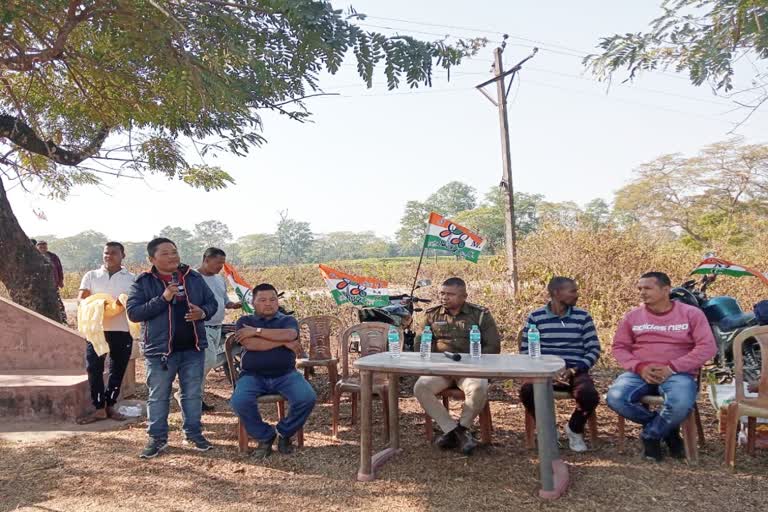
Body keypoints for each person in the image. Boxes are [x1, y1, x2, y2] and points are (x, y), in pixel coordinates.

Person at [606, 271, 716, 462]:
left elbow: (707, 347)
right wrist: (639, 367)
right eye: (640, 288)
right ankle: (667, 431)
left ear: (666, 290)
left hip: (678, 374)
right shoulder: (632, 316)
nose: (642, 293)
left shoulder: (691, 314)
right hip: (639, 373)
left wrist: (672, 367)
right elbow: (619, 347)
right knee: (615, 398)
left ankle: (651, 435)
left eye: (648, 288)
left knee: (681, 402)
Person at [126, 237, 218, 459]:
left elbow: (212, 303)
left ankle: (193, 434)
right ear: (152, 258)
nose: (173, 256)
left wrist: (203, 313)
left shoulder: (193, 277)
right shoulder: (144, 282)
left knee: (192, 394)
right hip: (160, 352)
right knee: (158, 396)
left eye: (175, 252)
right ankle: (157, 438)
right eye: (166, 253)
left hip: (193, 348)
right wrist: (164, 298)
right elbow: (134, 313)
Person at [413, 277, 501, 455]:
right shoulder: (431, 315)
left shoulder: (480, 314)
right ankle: (454, 432)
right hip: (441, 370)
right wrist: (432, 362)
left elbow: (493, 346)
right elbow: (419, 344)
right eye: (442, 293)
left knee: (478, 387)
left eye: (451, 294)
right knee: (421, 387)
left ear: (464, 296)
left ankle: (461, 429)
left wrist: (473, 362)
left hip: (469, 369)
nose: (445, 298)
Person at [229, 283, 316, 458]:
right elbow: (251, 344)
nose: (268, 303)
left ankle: (284, 432)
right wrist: (282, 342)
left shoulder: (287, 320)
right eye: (262, 300)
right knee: (239, 401)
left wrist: (257, 331)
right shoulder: (244, 322)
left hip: (286, 374)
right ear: (253, 303)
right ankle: (265, 436)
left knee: (307, 398)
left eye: (273, 299)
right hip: (252, 376)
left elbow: (290, 335)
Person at [519, 276, 601, 452]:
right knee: (527, 391)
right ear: (556, 293)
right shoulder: (536, 317)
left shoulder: (583, 317)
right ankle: (548, 429)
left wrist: (573, 370)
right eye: (572, 291)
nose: (577, 295)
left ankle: (574, 428)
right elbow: (526, 350)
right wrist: (548, 371)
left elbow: (593, 350)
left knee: (589, 395)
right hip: (545, 370)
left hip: (575, 369)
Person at [76, 242, 137, 424]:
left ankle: (111, 404)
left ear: (122, 255)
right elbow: (81, 299)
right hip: (96, 331)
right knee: (93, 368)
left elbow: (134, 301)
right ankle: (99, 408)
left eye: (113, 253)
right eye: (106, 253)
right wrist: (98, 305)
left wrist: (120, 304)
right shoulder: (92, 276)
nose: (108, 256)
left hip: (121, 329)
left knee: (117, 369)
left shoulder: (132, 278)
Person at [197, 247, 240, 412]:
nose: (220, 267)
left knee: (206, 363)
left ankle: (196, 397)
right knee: (206, 362)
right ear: (206, 260)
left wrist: (233, 305)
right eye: (217, 263)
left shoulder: (219, 279)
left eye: (222, 263)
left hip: (217, 326)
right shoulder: (194, 278)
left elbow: (224, 300)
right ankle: (190, 395)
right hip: (201, 326)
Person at [35, 240, 66, 323]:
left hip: (53, 283)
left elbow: (59, 268)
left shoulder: (53, 256)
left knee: (58, 302)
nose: (43, 249)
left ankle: (63, 319)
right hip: (40, 286)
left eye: (44, 247)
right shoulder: (34, 257)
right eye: (40, 247)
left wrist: (61, 280)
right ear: (36, 248)